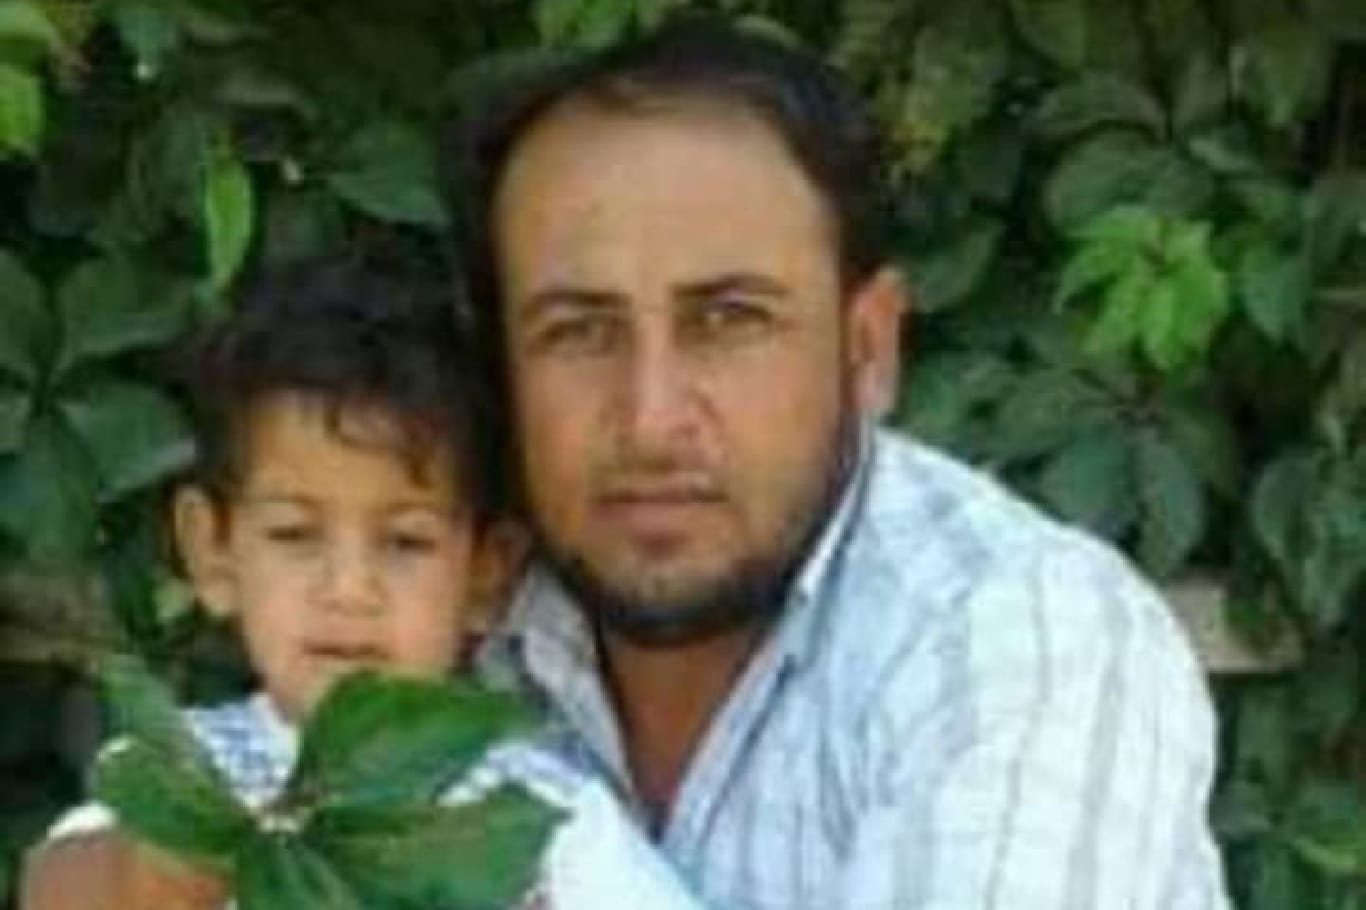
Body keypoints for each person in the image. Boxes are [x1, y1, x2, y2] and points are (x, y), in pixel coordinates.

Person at [26, 17, 1232, 909]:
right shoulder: (439, 596)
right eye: (578, 330)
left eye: (729, 318)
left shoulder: (1012, 641)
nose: (651, 418)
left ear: (866, 348)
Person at [23, 256, 702, 909]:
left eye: (406, 542)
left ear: (485, 575)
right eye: (294, 534)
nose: (349, 589)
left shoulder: (539, 818)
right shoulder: (181, 772)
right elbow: (56, 888)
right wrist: (161, 877)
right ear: (215, 552)